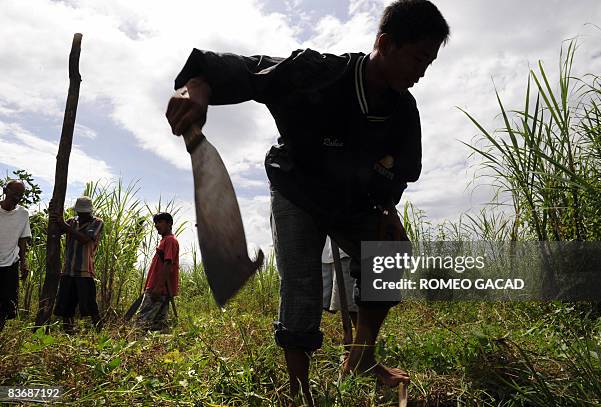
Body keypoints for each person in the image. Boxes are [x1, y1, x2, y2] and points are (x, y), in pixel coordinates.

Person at [165, 0, 449, 403]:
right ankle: (301, 393)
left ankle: (362, 357)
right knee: (302, 284)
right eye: (419, 58)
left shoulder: (404, 111)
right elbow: (238, 69)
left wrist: (388, 214)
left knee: (392, 254)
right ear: (385, 44)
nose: (422, 71)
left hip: (354, 201)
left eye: (430, 62)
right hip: (296, 188)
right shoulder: (315, 74)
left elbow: (400, 172)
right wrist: (194, 91)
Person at [50, 196, 103, 333]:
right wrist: (53, 215)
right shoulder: (71, 222)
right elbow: (54, 231)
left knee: (90, 304)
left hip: (85, 271)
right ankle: (68, 331)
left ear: (90, 211)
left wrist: (64, 225)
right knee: (66, 306)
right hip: (68, 270)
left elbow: (85, 239)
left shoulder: (97, 222)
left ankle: (99, 332)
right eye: (80, 212)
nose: (82, 215)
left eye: (85, 212)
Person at [135, 212, 179, 332]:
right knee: (159, 325)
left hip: (158, 289)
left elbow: (168, 264)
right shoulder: (166, 240)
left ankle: (135, 343)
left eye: (160, 222)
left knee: (141, 322)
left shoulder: (169, 240)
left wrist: (158, 287)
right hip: (161, 289)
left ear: (169, 224)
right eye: (155, 223)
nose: (157, 225)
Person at [0, 180, 31, 332]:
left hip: (10, 263)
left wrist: (23, 263)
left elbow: (22, 240)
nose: (17, 197)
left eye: (21, 195)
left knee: (7, 304)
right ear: (6, 191)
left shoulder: (23, 214)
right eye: (15, 193)